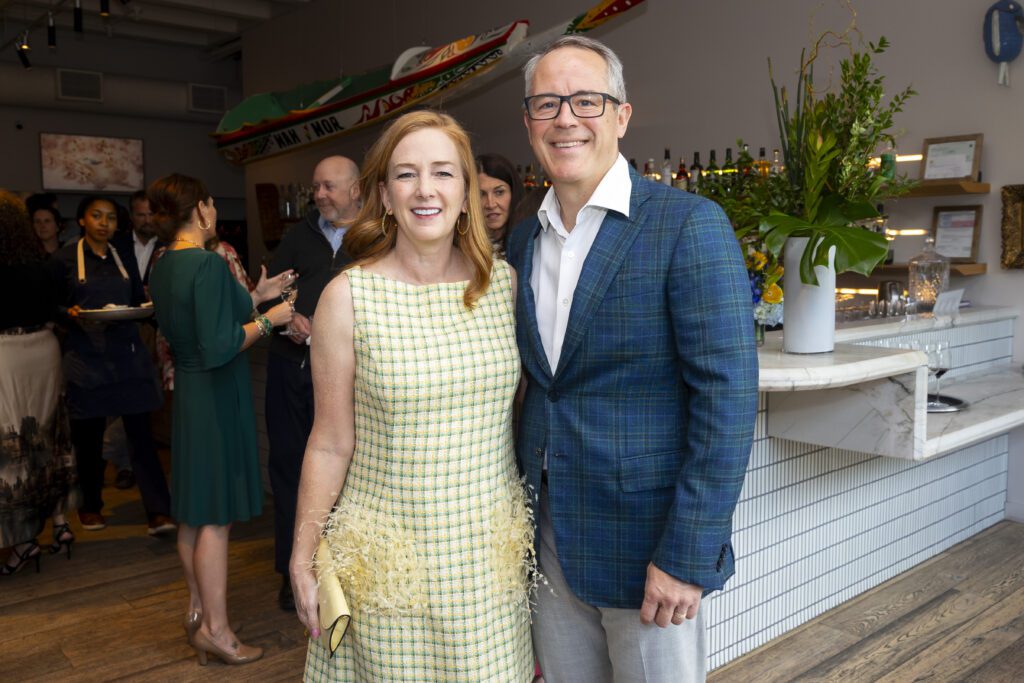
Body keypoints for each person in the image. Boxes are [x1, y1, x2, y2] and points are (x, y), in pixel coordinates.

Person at [507, 36, 758, 682]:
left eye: (586, 100)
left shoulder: (687, 225)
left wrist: (688, 551)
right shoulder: (522, 240)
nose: (566, 118)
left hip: (651, 550)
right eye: (547, 104)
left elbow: (727, 400)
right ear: (529, 124)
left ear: (622, 115)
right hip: (550, 540)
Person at [290, 110, 535, 681]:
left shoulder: (504, 286)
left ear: (468, 192)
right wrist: (302, 558)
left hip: (484, 568)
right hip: (387, 567)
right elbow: (329, 443)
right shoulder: (348, 296)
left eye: (444, 173)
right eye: (406, 174)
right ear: (384, 194)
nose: (426, 189)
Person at [147, 173, 294, 667]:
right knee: (215, 519)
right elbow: (220, 344)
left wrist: (258, 295)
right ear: (203, 209)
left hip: (190, 396)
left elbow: (203, 318)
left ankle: (197, 610)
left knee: (193, 513)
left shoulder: (164, 264)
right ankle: (218, 630)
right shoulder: (208, 263)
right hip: (214, 395)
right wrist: (272, 320)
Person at [47, 195, 175, 536]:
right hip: (86, 358)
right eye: (96, 216)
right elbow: (51, 306)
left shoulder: (124, 256)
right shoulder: (64, 259)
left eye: (110, 218)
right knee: (87, 439)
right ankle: (91, 505)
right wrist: (68, 313)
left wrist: (148, 308)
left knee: (141, 437)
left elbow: (135, 299)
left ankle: (158, 512)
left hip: (126, 355)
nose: (104, 223)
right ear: (82, 221)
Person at [266, 155, 360, 611]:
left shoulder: (377, 236)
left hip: (354, 375)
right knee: (290, 467)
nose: (320, 195)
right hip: (291, 368)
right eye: (316, 187)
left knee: (349, 471)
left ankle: (343, 570)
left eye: (329, 187)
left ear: (356, 188)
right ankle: (293, 568)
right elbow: (271, 290)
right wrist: (289, 318)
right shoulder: (297, 235)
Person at [0, 190, 77, 576]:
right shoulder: (42, 264)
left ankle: (23, 541)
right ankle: (60, 525)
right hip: (43, 351)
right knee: (48, 440)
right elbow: (55, 312)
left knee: (12, 450)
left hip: (6, 356)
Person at [476, 152, 523, 258]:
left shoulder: (531, 243)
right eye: (481, 194)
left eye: (499, 192)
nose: (491, 204)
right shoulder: (461, 251)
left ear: (514, 193)